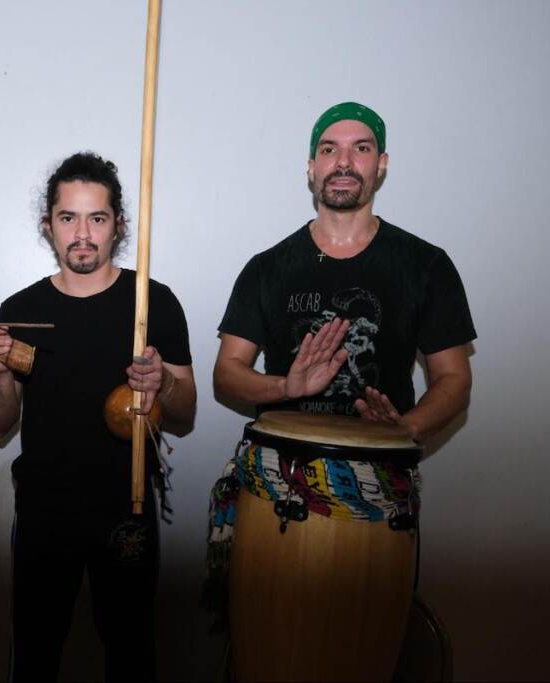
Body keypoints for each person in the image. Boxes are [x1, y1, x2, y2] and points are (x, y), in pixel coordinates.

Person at [209, 102, 475, 680]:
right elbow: (227, 374)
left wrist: (407, 427)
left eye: (359, 148)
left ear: (381, 165)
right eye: (329, 149)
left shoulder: (425, 265)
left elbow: (454, 380)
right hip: (280, 482)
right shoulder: (267, 267)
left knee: (360, 654)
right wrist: (286, 384)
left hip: (381, 491)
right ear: (311, 168)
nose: (343, 161)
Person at [0, 152, 196, 681]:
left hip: (128, 504)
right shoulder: (20, 308)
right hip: (45, 510)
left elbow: (184, 412)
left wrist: (161, 382)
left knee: (131, 650)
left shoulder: (154, 303)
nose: (83, 234)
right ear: (48, 224)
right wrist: (0, 373)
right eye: (68, 218)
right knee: (35, 650)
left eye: (97, 218)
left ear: (118, 224)